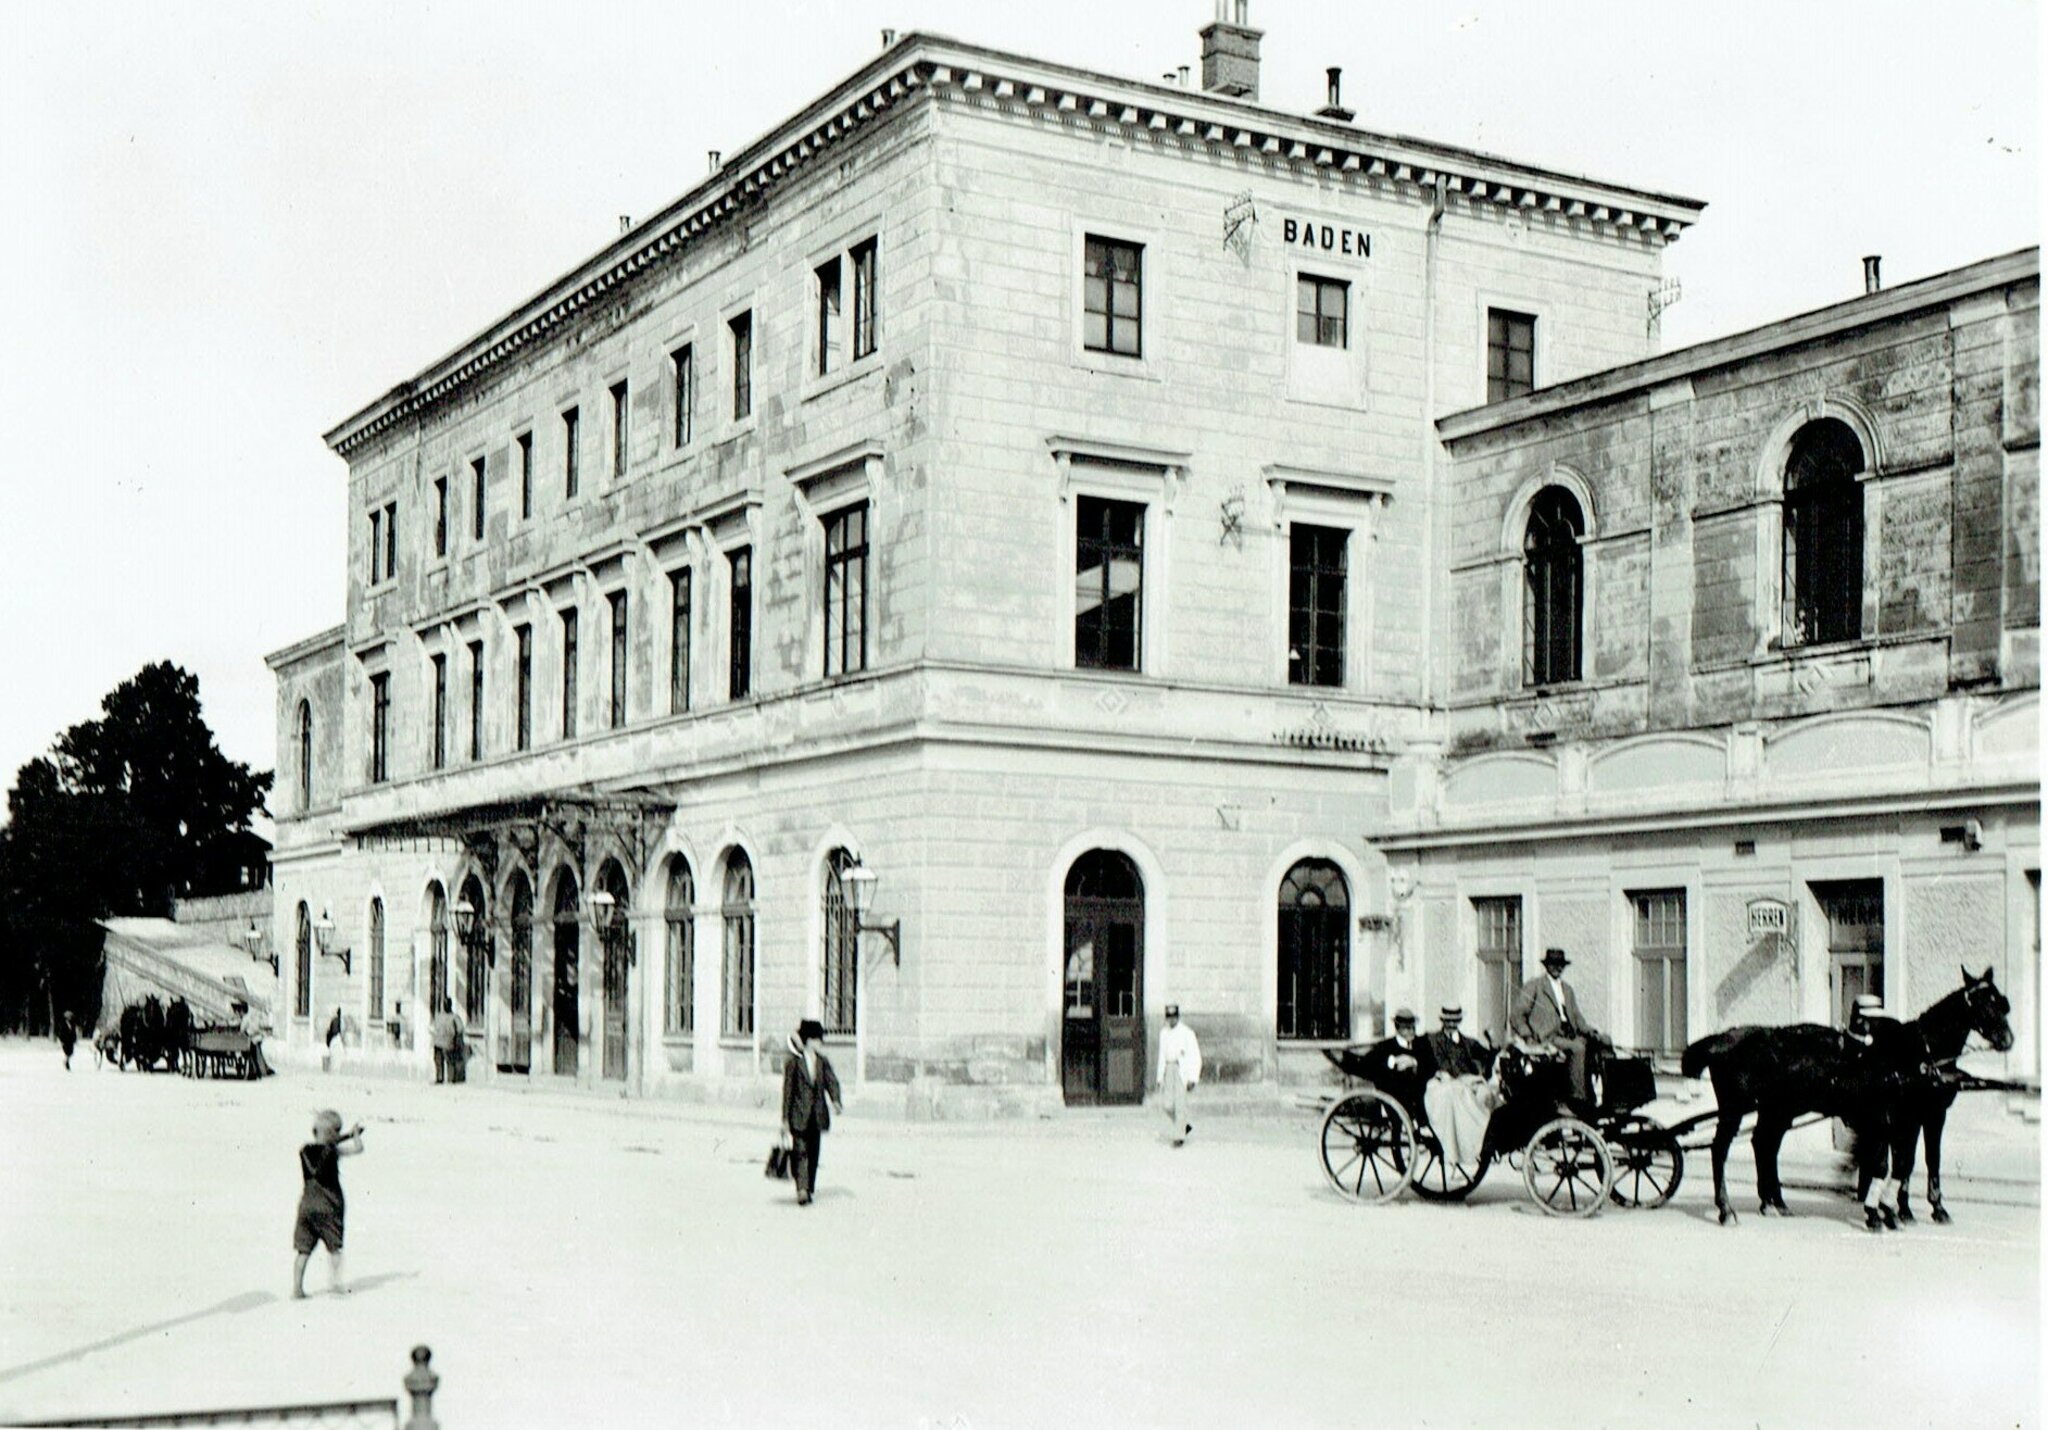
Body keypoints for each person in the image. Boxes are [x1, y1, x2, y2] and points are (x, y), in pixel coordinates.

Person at [1509, 947, 1603, 1104]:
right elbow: (1517, 1014)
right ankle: (1576, 1097)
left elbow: (1577, 1017)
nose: (1557, 968)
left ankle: (1596, 1094)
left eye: (1560, 965)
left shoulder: (1567, 990)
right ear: (1547, 966)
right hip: (1548, 1037)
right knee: (1577, 1048)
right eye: (1553, 964)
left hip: (1568, 1035)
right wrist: (1527, 1036)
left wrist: (1590, 1031)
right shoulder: (1535, 986)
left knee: (1601, 1042)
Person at [292, 1109, 365, 1298]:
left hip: (306, 1205)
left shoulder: (304, 1151)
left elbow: (324, 1146)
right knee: (334, 1248)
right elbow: (358, 1149)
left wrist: (340, 1137)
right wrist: (355, 1136)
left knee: (303, 1250)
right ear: (335, 1133)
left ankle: (297, 1288)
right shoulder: (334, 1152)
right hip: (329, 1206)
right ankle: (334, 1285)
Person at [1422, 1005, 1496, 1169]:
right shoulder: (1431, 1040)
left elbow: (1488, 1059)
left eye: (1455, 1021)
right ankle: (1459, 1148)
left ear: (1459, 1021)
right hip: (1445, 1085)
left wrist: (1492, 1043)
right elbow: (1423, 1063)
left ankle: (1478, 1143)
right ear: (1442, 1021)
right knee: (1456, 1095)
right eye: (1448, 1021)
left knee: (1487, 1095)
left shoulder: (1469, 1043)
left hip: (1467, 1084)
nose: (1451, 1025)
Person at [779, 1018, 843, 1206]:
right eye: (817, 1039)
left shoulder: (822, 1062)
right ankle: (802, 1189)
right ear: (807, 1040)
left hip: (817, 1116)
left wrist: (836, 1100)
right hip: (798, 1116)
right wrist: (784, 1119)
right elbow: (787, 1092)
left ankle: (809, 1187)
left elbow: (832, 1082)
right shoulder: (794, 1063)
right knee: (800, 1152)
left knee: (814, 1153)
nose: (820, 1043)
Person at [1358, 1008, 1436, 1116]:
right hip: (1396, 1093)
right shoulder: (1385, 1046)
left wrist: (1414, 1062)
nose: (1411, 1031)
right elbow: (1368, 1063)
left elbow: (1432, 1064)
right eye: (1407, 1028)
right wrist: (1393, 1061)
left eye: (1413, 1027)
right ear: (1397, 1028)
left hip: (1421, 1092)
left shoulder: (1421, 1044)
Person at [1155, 1003, 1202, 1146]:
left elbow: (1195, 1056)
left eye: (1174, 1017)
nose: (1171, 1020)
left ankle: (1179, 1137)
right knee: (1167, 1105)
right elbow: (1162, 1055)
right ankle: (1184, 1126)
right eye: (1169, 1017)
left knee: (1180, 1104)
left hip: (1182, 1069)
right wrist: (1159, 1076)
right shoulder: (1164, 1033)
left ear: (1178, 1017)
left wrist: (1193, 1077)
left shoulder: (1187, 1033)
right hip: (1169, 1068)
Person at [238, 1000, 275, 1079]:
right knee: (255, 1056)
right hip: (258, 1038)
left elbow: (242, 1030)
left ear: (242, 1011)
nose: (239, 1013)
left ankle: (254, 1073)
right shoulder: (252, 1017)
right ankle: (259, 1073)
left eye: (239, 1011)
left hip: (252, 1039)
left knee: (252, 1056)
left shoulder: (245, 1018)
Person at [431, 1002, 464, 1085]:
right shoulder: (454, 1017)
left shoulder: (439, 1017)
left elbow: (432, 1028)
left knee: (440, 1062)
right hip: (448, 1042)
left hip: (439, 1042)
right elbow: (460, 1029)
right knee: (449, 1062)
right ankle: (450, 1078)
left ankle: (440, 1078)